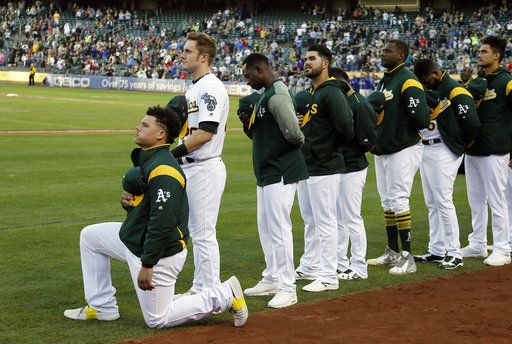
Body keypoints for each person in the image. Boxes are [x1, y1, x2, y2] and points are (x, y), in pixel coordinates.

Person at [64, 106, 248, 328]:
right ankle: (102, 306)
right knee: (91, 237)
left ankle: (223, 294)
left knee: (157, 319)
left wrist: (148, 264)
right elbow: (147, 208)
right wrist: (130, 204)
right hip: (136, 240)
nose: (138, 127)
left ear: (161, 134)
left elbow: (162, 223)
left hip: (160, 253)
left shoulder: (164, 169)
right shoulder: (150, 159)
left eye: (145, 125)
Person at [238, 53, 307, 308]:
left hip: (280, 169)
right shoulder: (265, 95)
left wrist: (284, 149)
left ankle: (288, 287)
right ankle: (273, 277)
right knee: (266, 227)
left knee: (278, 228)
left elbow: (294, 134)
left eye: (248, 75)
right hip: (268, 171)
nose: (246, 81)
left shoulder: (276, 95)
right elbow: (262, 135)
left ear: (259, 70)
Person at [171, 32, 229, 295]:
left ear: (203, 56)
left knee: (204, 233)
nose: (181, 55)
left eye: (187, 51)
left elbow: (206, 133)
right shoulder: (194, 86)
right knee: (197, 231)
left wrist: (172, 154)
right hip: (192, 166)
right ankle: (200, 287)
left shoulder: (211, 86)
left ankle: (213, 292)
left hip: (204, 167)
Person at [366, 40, 429, 275]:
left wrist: (398, 133)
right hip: (384, 149)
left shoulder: (408, 80)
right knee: (387, 201)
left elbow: (421, 118)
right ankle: (392, 251)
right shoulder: (387, 79)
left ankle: (408, 257)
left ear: (401, 55)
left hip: (402, 147)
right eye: (382, 50)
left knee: (399, 199)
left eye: (388, 50)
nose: (382, 53)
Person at [295, 45, 354, 292]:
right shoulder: (315, 92)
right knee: (310, 220)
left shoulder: (331, 91)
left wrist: (326, 150)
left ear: (326, 63)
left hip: (325, 165)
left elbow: (346, 128)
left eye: (312, 58)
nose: (306, 62)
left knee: (326, 221)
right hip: (309, 165)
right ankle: (310, 265)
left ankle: (329, 275)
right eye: (305, 58)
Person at [412, 59, 480, 269]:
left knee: (443, 200)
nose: (425, 83)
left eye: (426, 79)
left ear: (434, 72)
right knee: (432, 202)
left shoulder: (454, 89)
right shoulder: (439, 87)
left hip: (444, 148)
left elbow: (472, 123)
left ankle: (454, 252)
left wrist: (461, 145)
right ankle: (437, 249)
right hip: (427, 147)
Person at [461, 36, 512, 266]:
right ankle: (478, 244)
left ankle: (502, 248)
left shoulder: (507, 82)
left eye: (484, 51)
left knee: (497, 199)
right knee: (476, 200)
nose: (479, 54)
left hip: (495, 150)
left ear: (496, 56)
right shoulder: (477, 80)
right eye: (479, 51)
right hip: (473, 150)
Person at [329, 67, 377, 280]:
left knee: (351, 217)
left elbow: (367, 141)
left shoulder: (360, 104)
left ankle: (359, 266)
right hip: (339, 167)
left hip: (354, 167)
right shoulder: (340, 102)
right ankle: (341, 262)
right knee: (339, 218)